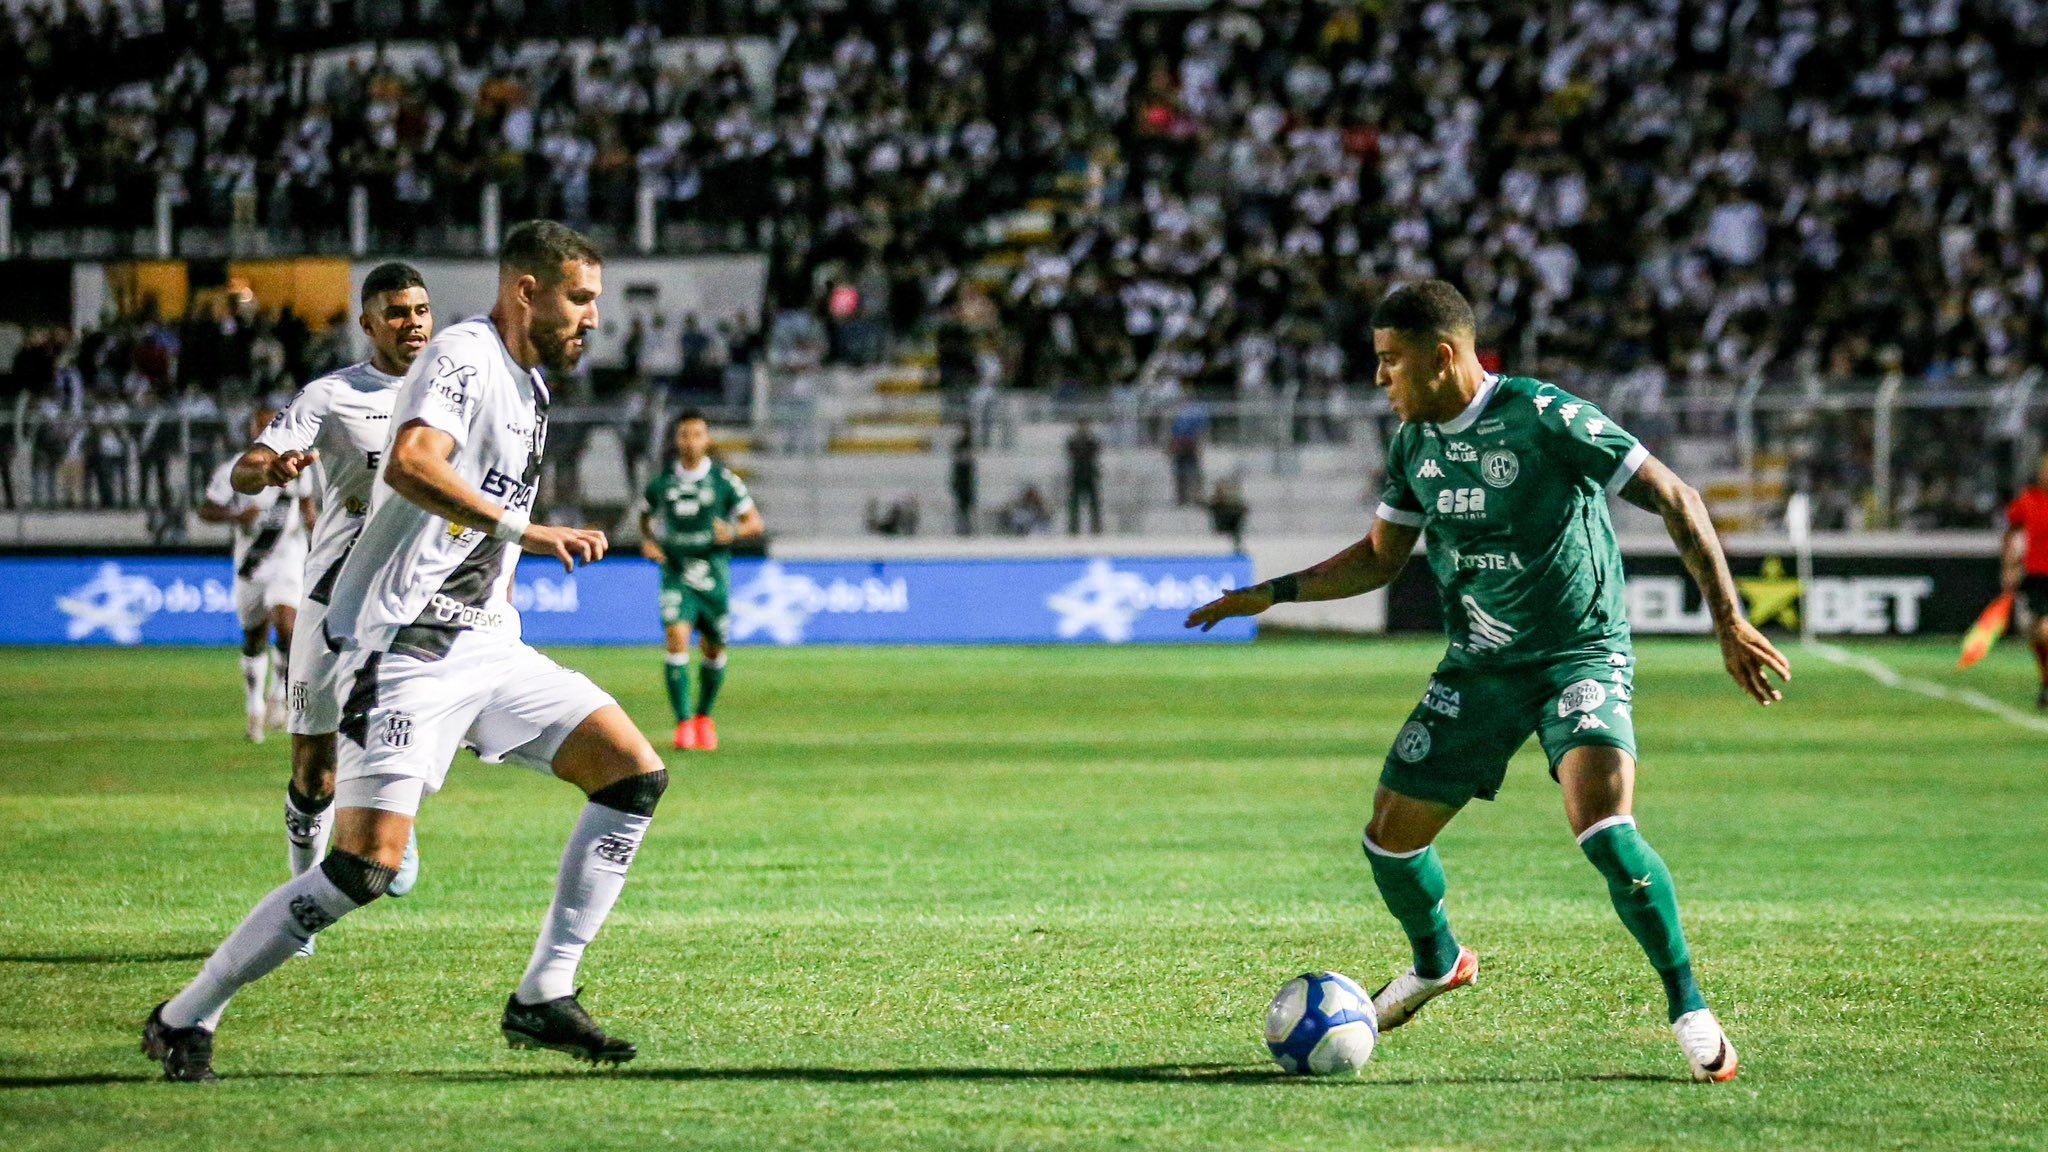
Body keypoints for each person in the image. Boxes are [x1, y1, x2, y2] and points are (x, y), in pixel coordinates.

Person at [1186, 280, 1789, 1083]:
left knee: (1604, 825)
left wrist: (1728, 620)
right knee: (1389, 838)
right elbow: (1377, 557)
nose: (1379, 379)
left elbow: (1675, 495)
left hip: (1580, 653)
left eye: (1390, 362)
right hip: (1479, 666)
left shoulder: (1544, 418)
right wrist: (1269, 593)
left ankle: (1689, 1006)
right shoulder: (1413, 446)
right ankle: (1437, 962)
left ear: (1443, 358)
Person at [145, 221, 669, 1081]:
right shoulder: (464, 356)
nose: (593, 319)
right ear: (526, 291)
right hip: (401, 643)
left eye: (597, 302)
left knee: (633, 775)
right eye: (580, 298)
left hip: (486, 644)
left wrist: (504, 570)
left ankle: (544, 993)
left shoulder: (531, 386)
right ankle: (185, 1016)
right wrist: (524, 529)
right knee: (362, 869)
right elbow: (412, 464)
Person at [226, 262, 435, 939]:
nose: (413, 323)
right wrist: (272, 466)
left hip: (412, 601)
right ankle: (300, 899)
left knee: (416, 724)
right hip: (331, 595)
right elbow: (246, 468)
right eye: (398, 312)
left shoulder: (458, 393)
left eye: (422, 310)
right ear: (368, 322)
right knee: (313, 774)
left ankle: (391, 823)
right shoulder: (332, 395)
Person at [639, 409, 764, 752]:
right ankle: (683, 725)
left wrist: (734, 531)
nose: (691, 441)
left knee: (714, 647)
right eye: (684, 435)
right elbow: (645, 517)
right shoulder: (663, 482)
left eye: (697, 434)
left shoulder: (724, 481)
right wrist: (649, 543)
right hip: (677, 573)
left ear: (707, 439)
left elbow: (755, 522)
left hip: (713, 576)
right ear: (676, 440)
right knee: (676, 637)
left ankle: (703, 718)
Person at [199, 406, 314, 744]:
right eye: (264, 428)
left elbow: (307, 509)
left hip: (288, 560)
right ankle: (254, 708)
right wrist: (237, 517)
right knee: (254, 637)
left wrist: (318, 533)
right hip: (250, 564)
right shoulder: (233, 471)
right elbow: (206, 509)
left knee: (288, 627)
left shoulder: (297, 468)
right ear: (255, 432)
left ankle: (278, 696)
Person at [2000, 453, 2048, 710]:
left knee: (2045, 630)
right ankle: (2045, 681)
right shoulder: (2029, 501)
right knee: (2036, 634)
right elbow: (2012, 533)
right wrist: (2009, 567)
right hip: (2036, 576)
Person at [1066, 420, 1103, 535]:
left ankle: (1096, 527)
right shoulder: (1073, 440)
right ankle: (1073, 528)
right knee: (1074, 503)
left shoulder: (1092, 440)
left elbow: (1094, 452)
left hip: (1089, 474)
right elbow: (1072, 453)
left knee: (1094, 503)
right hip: (1077, 474)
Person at [950, 427, 977, 536]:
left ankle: (965, 528)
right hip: (962, 486)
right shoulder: (960, 466)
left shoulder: (966, 465)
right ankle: (962, 529)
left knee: (965, 508)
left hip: (966, 486)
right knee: (962, 509)